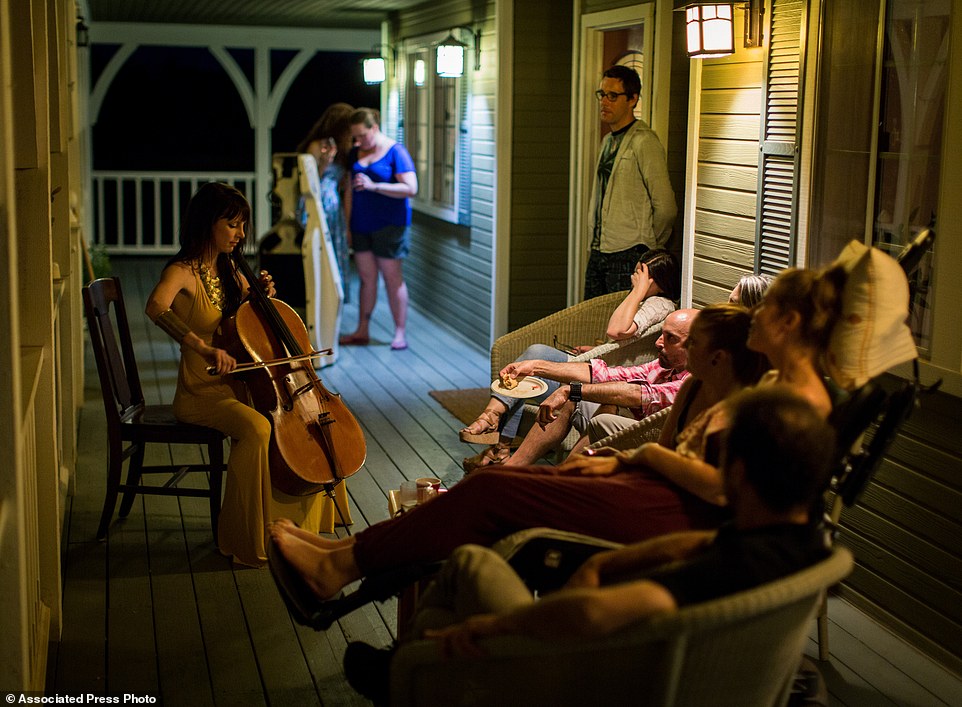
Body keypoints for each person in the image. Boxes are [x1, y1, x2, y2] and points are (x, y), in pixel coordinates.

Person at [342, 386, 836, 703]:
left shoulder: (732, 565)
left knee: (469, 564)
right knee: (436, 629)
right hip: (667, 672)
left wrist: (499, 623)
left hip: (601, 676)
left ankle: (405, 669)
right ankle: (409, 670)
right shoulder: (802, 546)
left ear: (740, 474)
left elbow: (590, 618)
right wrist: (621, 562)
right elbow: (702, 544)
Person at [267, 304, 770, 601]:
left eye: (688, 340)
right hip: (641, 489)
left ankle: (344, 567)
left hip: (669, 522)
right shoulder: (689, 390)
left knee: (490, 488)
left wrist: (641, 462)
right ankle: (346, 554)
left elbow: (722, 492)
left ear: (718, 355)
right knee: (496, 485)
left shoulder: (746, 413)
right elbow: (626, 399)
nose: (660, 345)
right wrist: (549, 376)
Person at [144, 182, 350, 567]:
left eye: (243, 227)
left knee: (307, 425)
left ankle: (298, 524)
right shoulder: (182, 271)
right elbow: (156, 307)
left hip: (239, 386)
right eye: (233, 225)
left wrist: (261, 294)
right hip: (201, 394)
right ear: (208, 223)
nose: (241, 235)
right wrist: (202, 347)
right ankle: (242, 536)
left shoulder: (230, 270)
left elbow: (247, 323)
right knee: (257, 429)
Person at [460, 250, 682, 470]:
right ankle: (499, 447)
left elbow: (617, 330)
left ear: (659, 281)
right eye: (635, 272)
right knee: (526, 374)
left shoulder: (660, 304)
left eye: (641, 274)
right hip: (605, 368)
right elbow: (625, 341)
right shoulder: (648, 303)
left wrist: (638, 290)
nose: (634, 278)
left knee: (536, 353)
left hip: (613, 385)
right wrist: (597, 349)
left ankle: (492, 423)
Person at [480, 307, 697, 470]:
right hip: (626, 422)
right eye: (662, 334)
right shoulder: (663, 366)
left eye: (671, 338)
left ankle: (561, 480)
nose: (659, 343)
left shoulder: (694, 379)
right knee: (583, 395)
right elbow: (605, 374)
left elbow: (638, 395)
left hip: (646, 439)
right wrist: (534, 366)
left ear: (696, 344)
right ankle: (512, 471)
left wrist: (570, 390)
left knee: (603, 407)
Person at [584, 65, 677, 298]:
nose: (605, 102)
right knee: (591, 324)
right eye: (602, 95)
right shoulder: (607, 141)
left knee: (620, 328)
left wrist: (647, 246)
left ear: (633, 99)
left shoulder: (644, 141)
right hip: (599, 249)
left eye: (613, 96)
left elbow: (666, 207)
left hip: (628, 252)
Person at [338, 107, 418, 351]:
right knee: (366, 278)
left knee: (392, 279)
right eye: (355, 137)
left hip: (389, 225)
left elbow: (411, 188)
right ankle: (362, 329)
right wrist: (348, 225)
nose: (358, 141)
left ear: (375, 128)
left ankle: (400, 333)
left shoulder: (396, 152)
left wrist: (375, 187)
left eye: (362, 135)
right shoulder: (356, 153)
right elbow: (350, 190)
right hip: (362, 225)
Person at [297, 102, 355, 289]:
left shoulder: (344, 151)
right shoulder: (317, 145)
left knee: (335, 252)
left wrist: (347, 225)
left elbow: (346, 188)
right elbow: (310, 180)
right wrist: (325, 161)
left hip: (334, 208)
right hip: (316, 201)